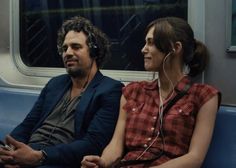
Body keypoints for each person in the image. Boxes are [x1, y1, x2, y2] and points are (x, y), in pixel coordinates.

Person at [81, 17, 221, 168]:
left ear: (175, 48)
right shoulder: (133, 91)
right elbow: (116, 145)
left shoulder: (204, 96)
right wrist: (102, 162)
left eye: (151, 43)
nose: (143, 49)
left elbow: (195, 159)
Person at [0, 16, 124, 168]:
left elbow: (92, 143)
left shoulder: (110, 90)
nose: (67, 53)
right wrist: (9, 151)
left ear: (94, 51)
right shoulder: (55, 84)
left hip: (59, 161)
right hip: (29, 153)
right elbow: (28, 124)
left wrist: (40, 157)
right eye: (64, 48)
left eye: (76, 47)